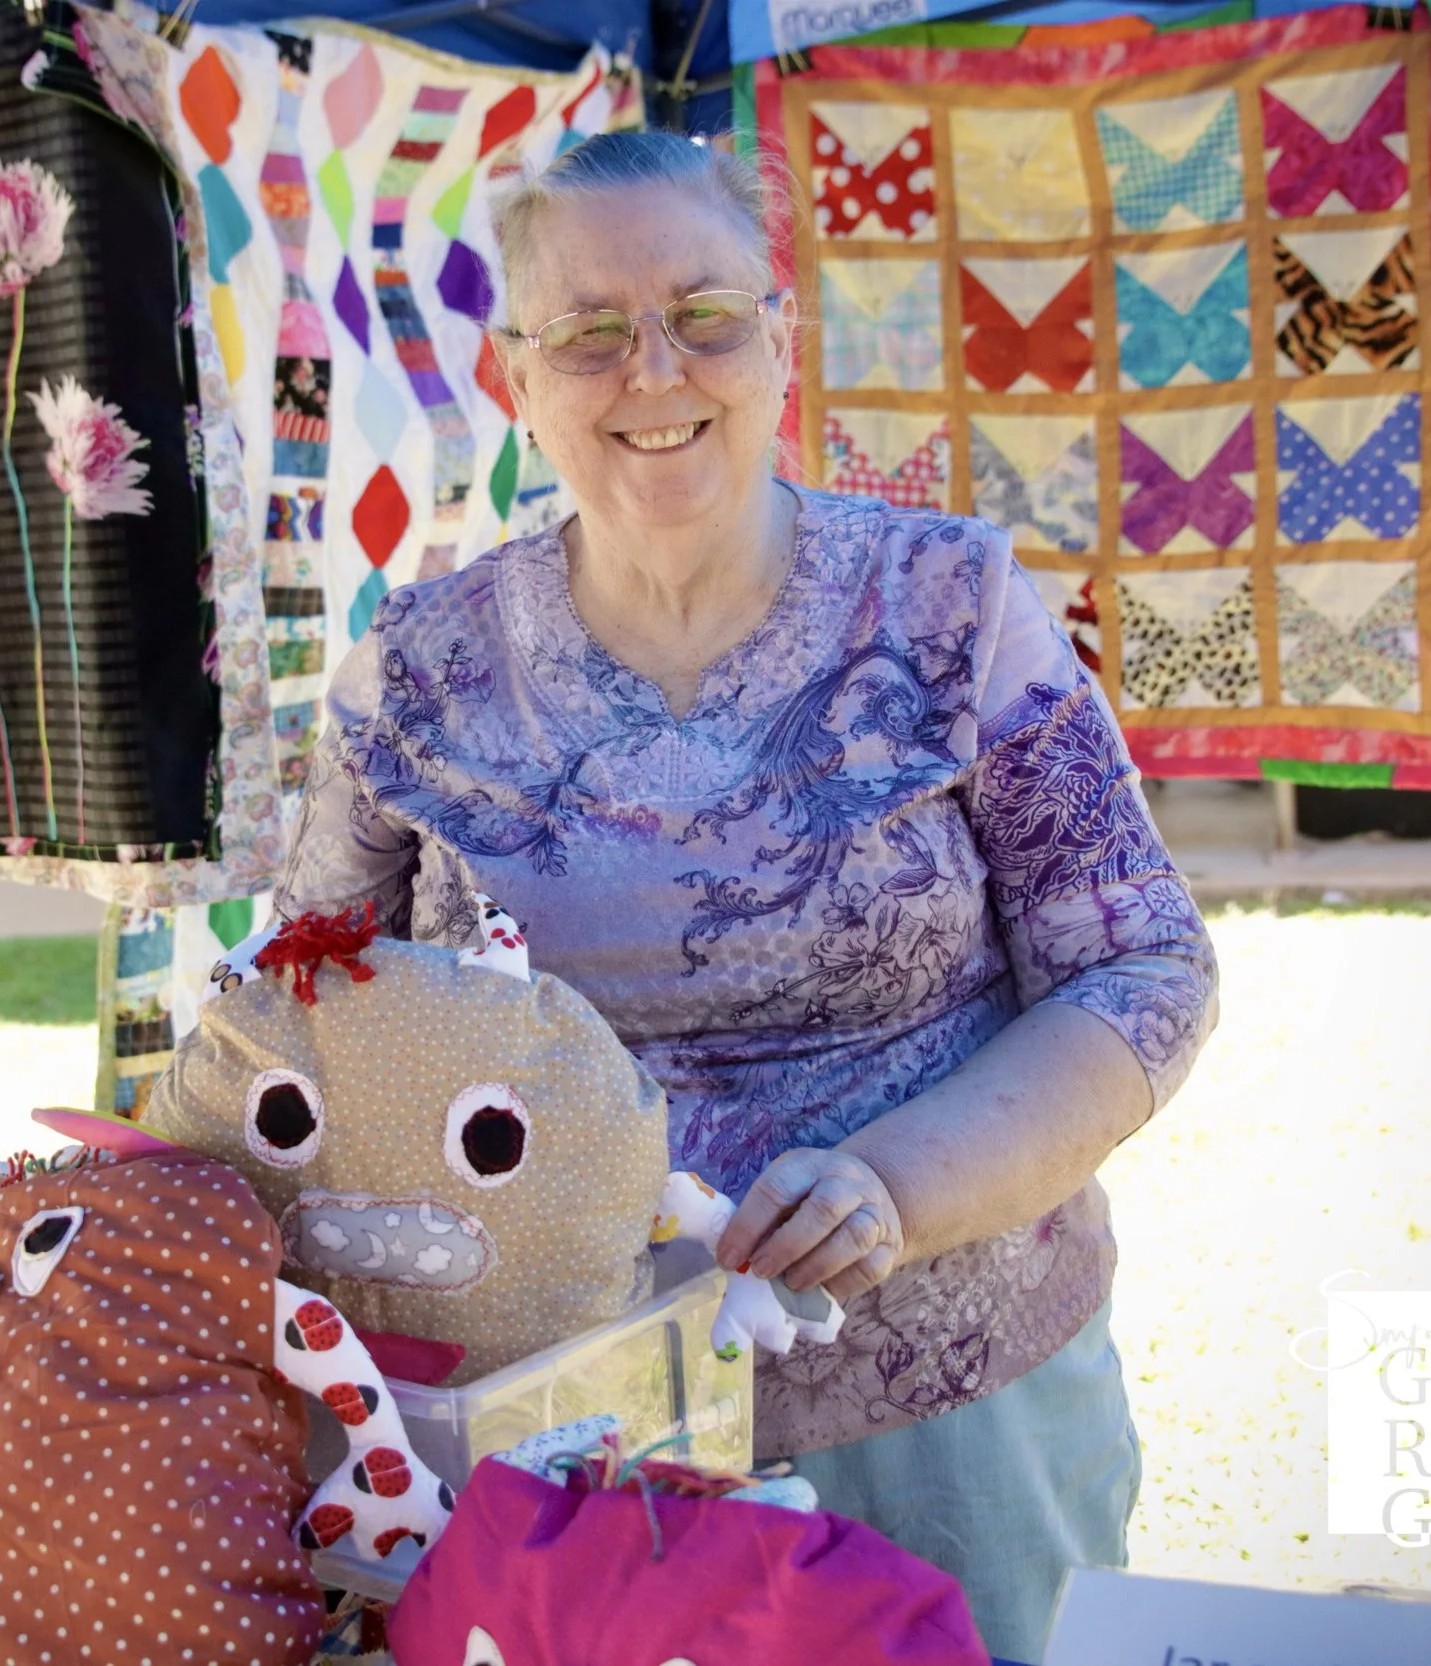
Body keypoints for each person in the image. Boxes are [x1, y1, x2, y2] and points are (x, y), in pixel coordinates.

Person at [273, 129, 1219, 1664]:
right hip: (553, 1454)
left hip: (946, 1412)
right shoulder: (415, 674)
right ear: (518, 377)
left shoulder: (951, 606)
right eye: (588, 332)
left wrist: (893, 1183)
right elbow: (292, 1026)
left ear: (781, 336)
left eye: (706, 314)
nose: (654, 371)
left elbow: (1145, 971)